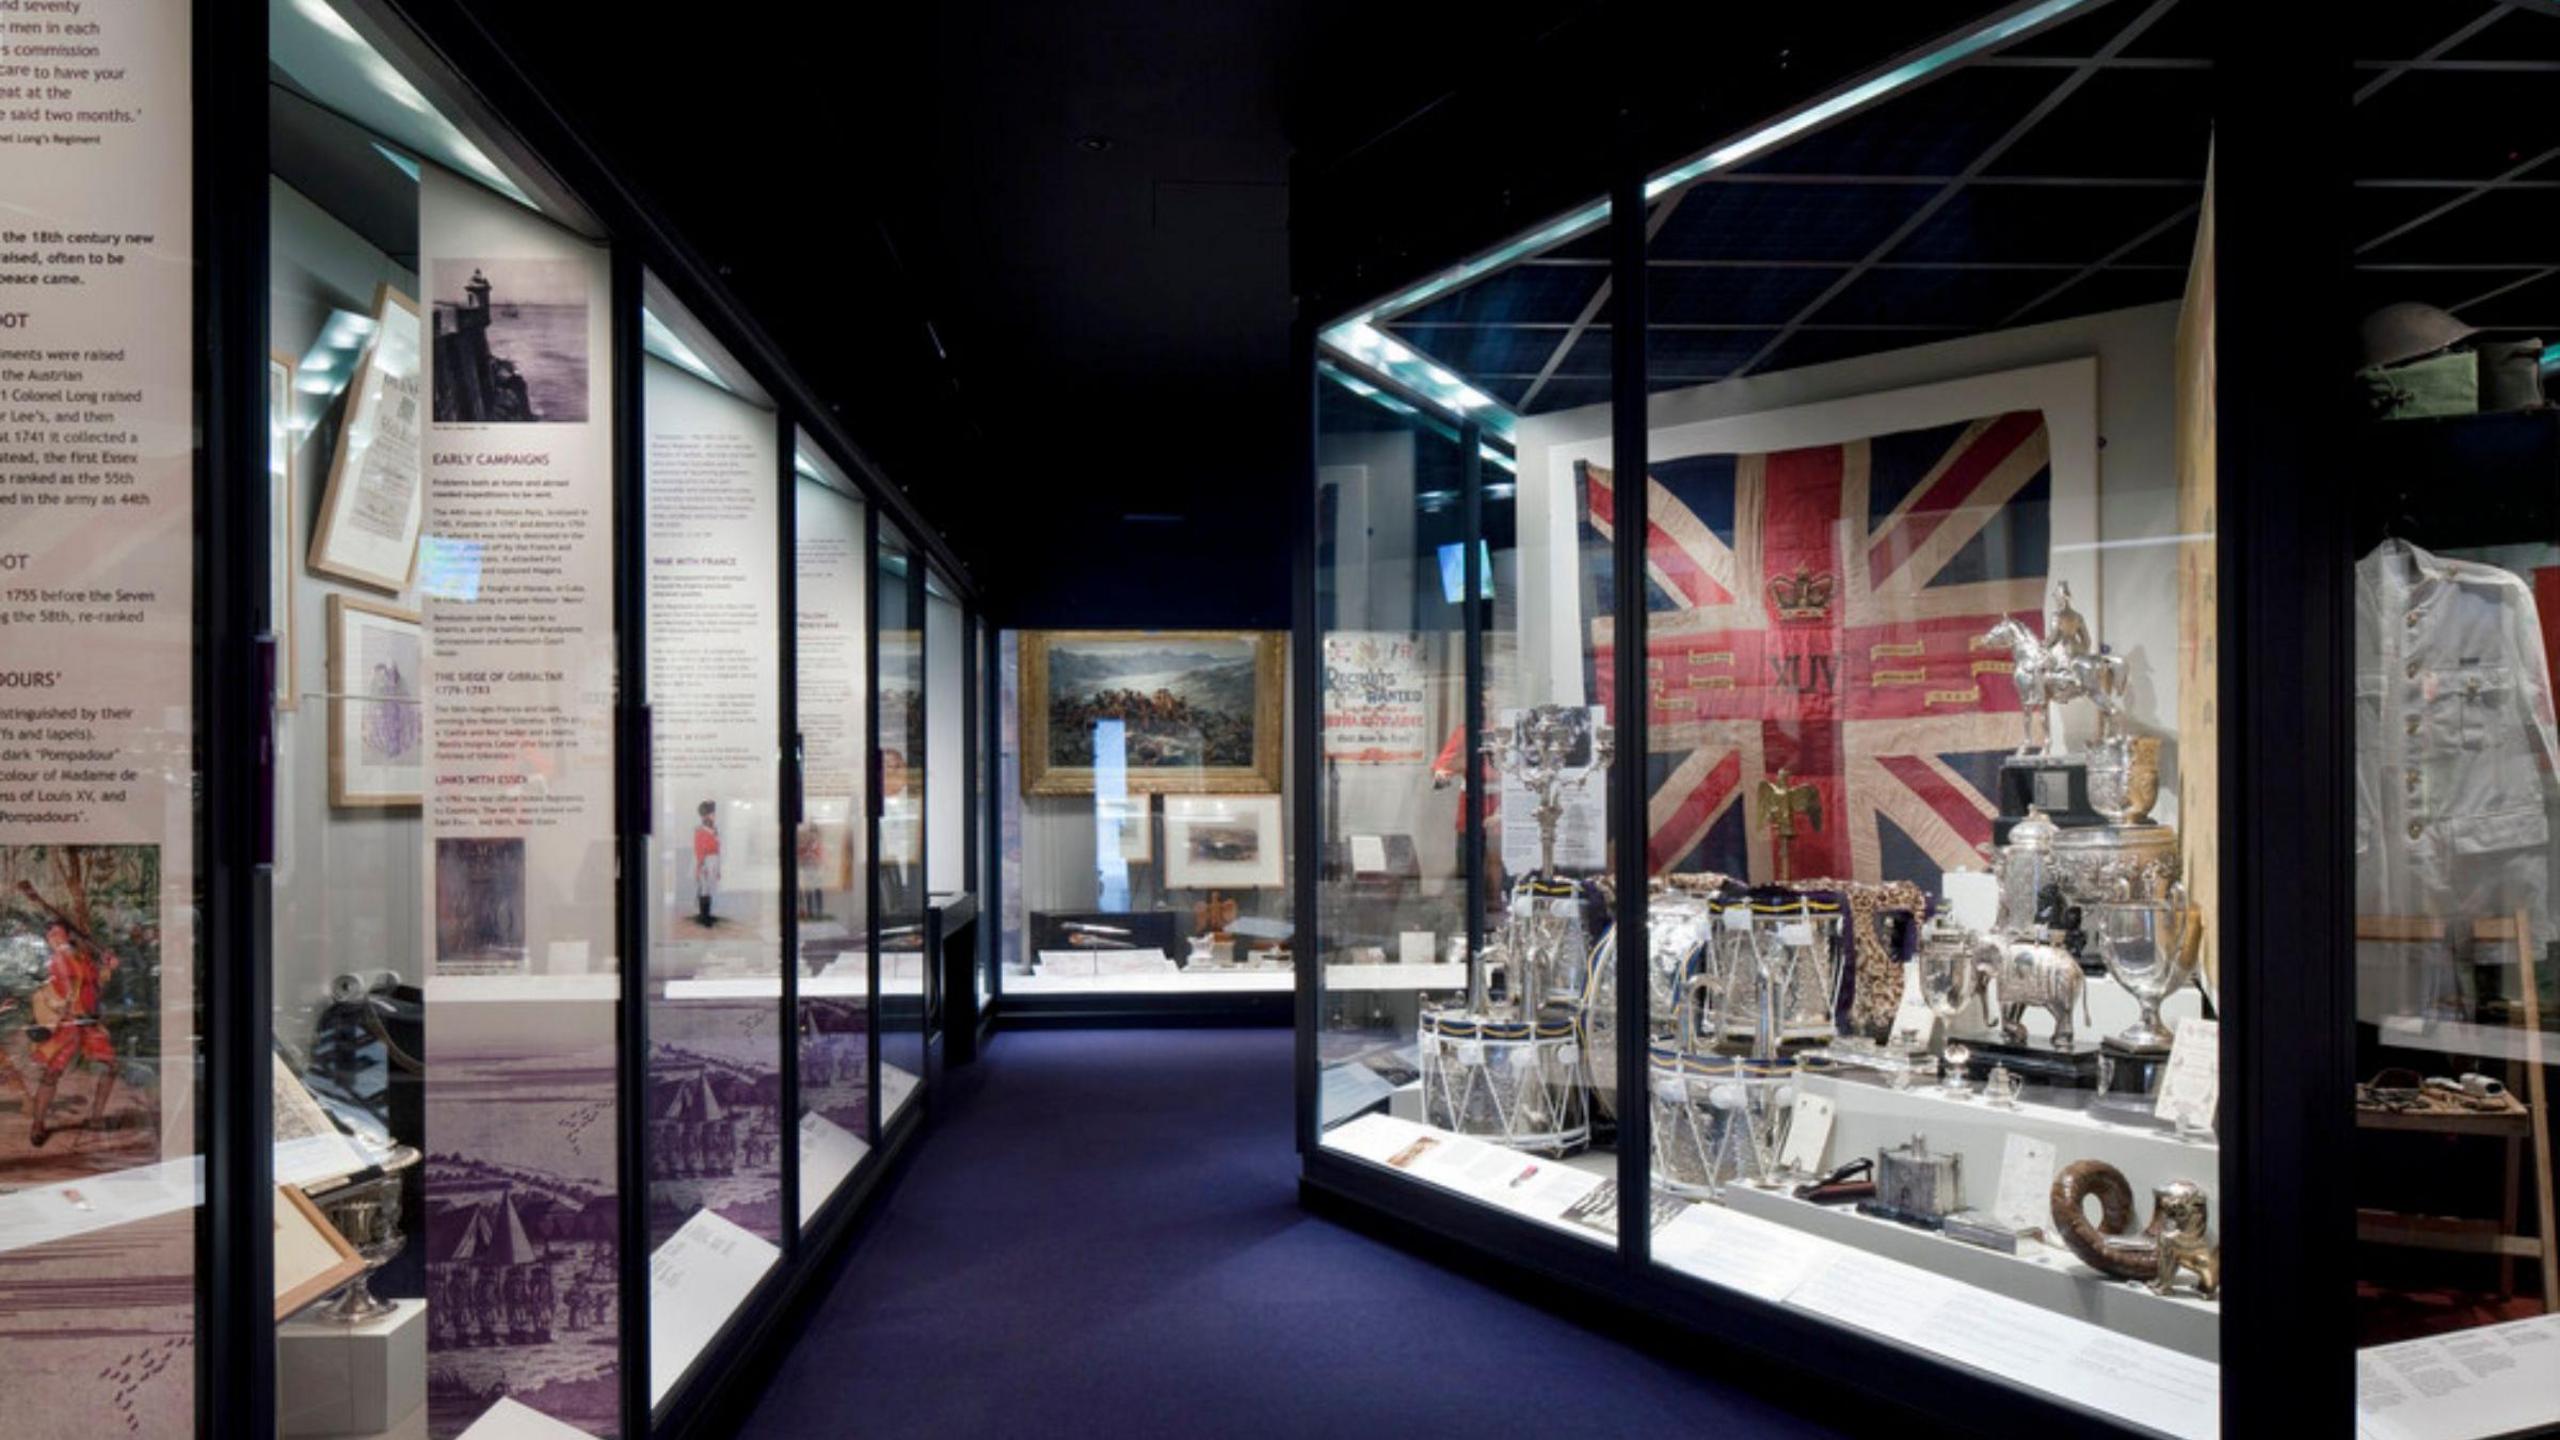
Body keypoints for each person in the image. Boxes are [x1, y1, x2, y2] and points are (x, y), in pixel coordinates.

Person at [13, 919, 119, 1148]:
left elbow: (97, 986)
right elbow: (44, 990)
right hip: (66, 1025)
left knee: (111, 1067)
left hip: (89, 1023)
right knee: (51, 1074)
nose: (53, 938)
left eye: (57, 934)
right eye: (50, 935)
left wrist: (108, 967)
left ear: (68, 935)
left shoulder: (84, 960)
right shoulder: (52, 962)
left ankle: (96, 1118)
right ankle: (38, 1124)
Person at [693, 801, 721, 927]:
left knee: (709, 887)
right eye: (711, 814)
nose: (713, 816)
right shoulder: (700, 831)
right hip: (705, 860)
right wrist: (701, 864)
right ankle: (704, 917)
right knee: (704, 888)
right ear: (704, 816)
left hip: (714, 859)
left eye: (713, 813)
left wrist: (718, 867)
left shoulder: (714, 830)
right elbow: (699, 849)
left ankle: (707, 914)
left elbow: (718, 848)